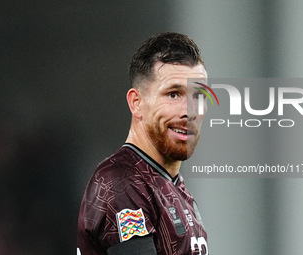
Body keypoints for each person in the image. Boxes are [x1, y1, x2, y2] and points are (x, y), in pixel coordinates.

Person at [77, 32, 209, 255]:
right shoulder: (122, 183)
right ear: (136, 103)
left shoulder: (173, 186)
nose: (190, 111)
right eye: (174, 94)